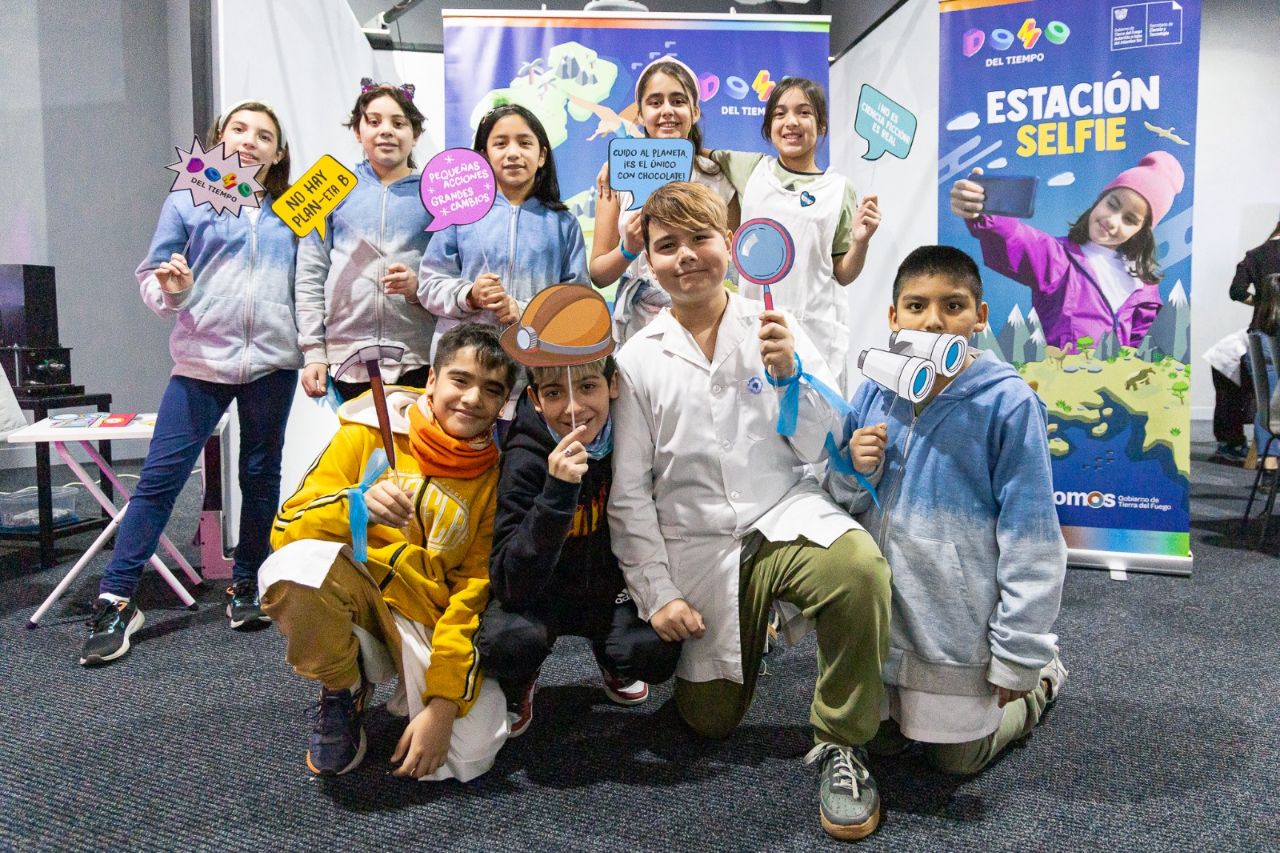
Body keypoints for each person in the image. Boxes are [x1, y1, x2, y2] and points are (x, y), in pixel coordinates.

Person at [609, 182, 891, 841]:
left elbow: (825, 446)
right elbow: (629, 495)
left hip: (782, 514)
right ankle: (750, 625)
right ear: (649, 261)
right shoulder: (637, 360)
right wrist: (657, 593)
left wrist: (792, 375)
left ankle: (844, 738)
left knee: (859, 570)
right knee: (708, 721)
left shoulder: (776, 327)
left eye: (700, 238)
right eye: (667, 245)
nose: (686, 256)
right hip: (699, 543)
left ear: (731, 245)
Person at [826, 245, 1067, 776]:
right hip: (881, 624)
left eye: (953, 306)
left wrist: (1019, 653)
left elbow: (1033, 539)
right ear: (894, 318)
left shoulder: (1008, 404)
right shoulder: (874, 391)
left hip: (956, 631)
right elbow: (839, 502)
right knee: (881, 742)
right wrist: (852, 469)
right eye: (916, 306)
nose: (933, 321)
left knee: (958, 759)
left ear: (979, 317)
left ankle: (1044, 679)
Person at [81, 100, 299, 666]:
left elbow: (312, 282)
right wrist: (172, 290)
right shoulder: (189, 200)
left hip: (274, 364)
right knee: (160, 479)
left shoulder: (293, 213)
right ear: (219, 140)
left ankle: (246, 582)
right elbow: (152, 277)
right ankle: (116, 599)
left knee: (261, 476)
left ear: (278, 154)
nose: (249, 141)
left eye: (264, 135)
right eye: (238, 130)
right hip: (201, 362)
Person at [260, 324, 515, 781]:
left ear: (503, 403)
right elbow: (285, 528)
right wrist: (354, 507)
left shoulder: (495, 479)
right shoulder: (364, 434)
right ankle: (343, 687)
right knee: (293, 570)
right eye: (460, 380)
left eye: (491, 389)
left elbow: (472, 596)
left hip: (426, 618)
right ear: (432, 380)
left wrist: (443, 704)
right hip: (356, 594)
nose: (473, 398)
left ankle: (412, 689)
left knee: (469, 755)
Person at [476, 353, 681, 737]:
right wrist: (556, 494)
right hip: (539, 595)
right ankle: (523, 676)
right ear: (535, 399)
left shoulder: (632, 439)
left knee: (655, 648)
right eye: (554, 393)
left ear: (613, 385)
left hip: (608, 591)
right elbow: (508, 583)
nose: (573, 408)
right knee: (507, 644)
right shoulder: (524, 455)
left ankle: (613, 658)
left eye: (588, 387)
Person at [709, 77, 881, 387]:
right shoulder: (751, 169)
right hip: (757, 329)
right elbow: (691, 152)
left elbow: (842, 273)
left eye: (804, 112)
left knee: (815, 413)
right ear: (768, 126)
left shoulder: (839, 189)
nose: (791, 122)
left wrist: (861, 242)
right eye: (780, 114)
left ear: (821, 125)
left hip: (817, 335)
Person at [950, 150, 1185, 352]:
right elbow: (1016, 237)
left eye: (1130, 220)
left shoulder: (1143, 285)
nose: (1113, 221)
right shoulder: (1057, 258)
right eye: (1112, 204)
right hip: (1065, 383)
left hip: (1116, 386)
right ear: (1100, 200)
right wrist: (983, 209)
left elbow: (1144, 344)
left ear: (1141, 231)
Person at [297, 80, 434, 403]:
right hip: (347, 356)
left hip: (419, 354)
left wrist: (418, 288)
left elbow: (451, 272)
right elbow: (310, 272)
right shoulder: (330, 189)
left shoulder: (434, 195)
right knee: (357, 436)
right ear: (358, 131)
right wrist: (314, 351)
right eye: (374, 121)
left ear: (415, 134)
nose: (386, 131)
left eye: (398, 123)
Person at [420, 104, 589, 361]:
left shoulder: (563, 224)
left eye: (524, 143)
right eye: (500, 144)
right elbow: (429, 284)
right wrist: (470, 296)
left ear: (542, 156)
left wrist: (524, 311)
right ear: (484, 156)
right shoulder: (459, 213)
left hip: (533, 366)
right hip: (465, 363)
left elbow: (576, 302)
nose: (513, 153)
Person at [590, 57, 737, 344]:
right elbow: (599, 274)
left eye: (678, 101)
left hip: (708, 322)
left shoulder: (719, 178)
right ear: (640, 115)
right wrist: (628, 250)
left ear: (695, 111)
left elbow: (733, 262)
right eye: (655, 102)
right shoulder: (616, 175)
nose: (667, 110)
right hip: (640, 329)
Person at [1228, 220, 1280, 464]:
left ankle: (1269, 467)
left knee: (1266, 405)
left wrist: (1262, 303)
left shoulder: (1255, 254)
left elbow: (1236, 291)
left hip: (1262, 335)